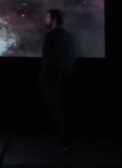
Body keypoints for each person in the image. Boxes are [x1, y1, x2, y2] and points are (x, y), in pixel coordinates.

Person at [38, 9, 76, 150]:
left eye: (47, 17)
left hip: (52, 79)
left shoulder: (50, 37)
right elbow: (71, 57)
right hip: (65, 77)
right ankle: (65, 140)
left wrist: (44, 77)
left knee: (56, 109)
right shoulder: (69, 37)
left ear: (53, 19)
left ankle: (61, 140)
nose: (45, 20)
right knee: (63, 109)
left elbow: (48, 59)